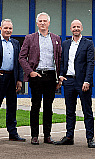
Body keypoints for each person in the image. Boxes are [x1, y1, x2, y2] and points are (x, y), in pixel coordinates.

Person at [19, 12, 61, 145]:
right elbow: (21, 57)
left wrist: (59, 77)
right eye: (40, 21)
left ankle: (47, 136)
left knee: (48, 107)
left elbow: (60, 59)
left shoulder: (56, 38)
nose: (42, 23)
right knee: (35, 106)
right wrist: (30, 72)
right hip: (36, 76)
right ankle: (34, 135)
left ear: (49, 23)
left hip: (51, 76)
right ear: (37, 23)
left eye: (45, 21)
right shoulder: (30, 38)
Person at [54, 19, 95, 148]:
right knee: (69, 111)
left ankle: (90, 138)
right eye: (74, 27)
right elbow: (62, 61)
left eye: (78, 26)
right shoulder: (65, 44)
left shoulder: (88, 43)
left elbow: (90, 63)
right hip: (69, 81)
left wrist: (87, 80)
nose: (76, 29)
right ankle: (69, 137)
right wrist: (60, 75)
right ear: (70, 29)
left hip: (83, 82)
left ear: (82, 28)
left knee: (87, 111)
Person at [0, 19, 25, 143]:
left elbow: (19, 62)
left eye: (10, 28)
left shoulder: (15, 43)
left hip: (12, 78)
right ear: (0, 28)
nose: (8, 30)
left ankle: (13, 133)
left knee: (12, 106)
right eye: (6, 28)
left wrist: (20, 79)